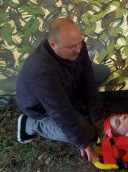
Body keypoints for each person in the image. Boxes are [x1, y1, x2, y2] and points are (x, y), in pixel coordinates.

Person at [16, 18, 102, 162]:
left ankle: (79, 111)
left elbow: (88, 79)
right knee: (88, 134)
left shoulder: (77, 46)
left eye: (79, 43)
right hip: (41, 107)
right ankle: (29, 124)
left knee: (102, 72)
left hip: (63, 89)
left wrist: (96, 117)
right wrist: (83, 143)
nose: (78, 49)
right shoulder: (42, 70)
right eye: (71, 47)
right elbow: (60, 111)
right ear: (53, 44)